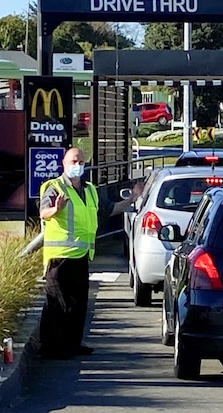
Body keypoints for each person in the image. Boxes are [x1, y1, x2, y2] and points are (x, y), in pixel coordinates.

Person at [38, 147, 143, 359]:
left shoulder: (90, 191)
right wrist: (55, 209)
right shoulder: (55, 187)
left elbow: (109, 209)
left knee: (78, 304)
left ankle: (73, 344)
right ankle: (53, 349)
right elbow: (43, 212)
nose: (77, 166)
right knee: (58, 303)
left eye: (81, 162)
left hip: (82, 255)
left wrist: (131, 200)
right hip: (60, 257)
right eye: (73, 161)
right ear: (64, 164)